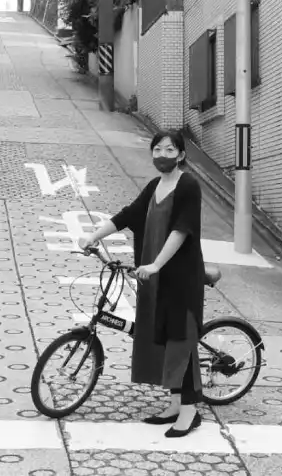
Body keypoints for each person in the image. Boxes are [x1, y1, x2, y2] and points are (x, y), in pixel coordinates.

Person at [78, 128, 205, 437]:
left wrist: (158, 264)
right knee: (162, 337)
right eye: (157, 150)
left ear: (181, 155)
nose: (162, 155)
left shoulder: (188, 186)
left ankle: (190, 412)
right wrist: (93, 236)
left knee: (180, 341)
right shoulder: (155, 186)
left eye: (169, 150)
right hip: (153, 277)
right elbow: (127, 215)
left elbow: (182, 229)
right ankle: (176, 403)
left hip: (179, 277)